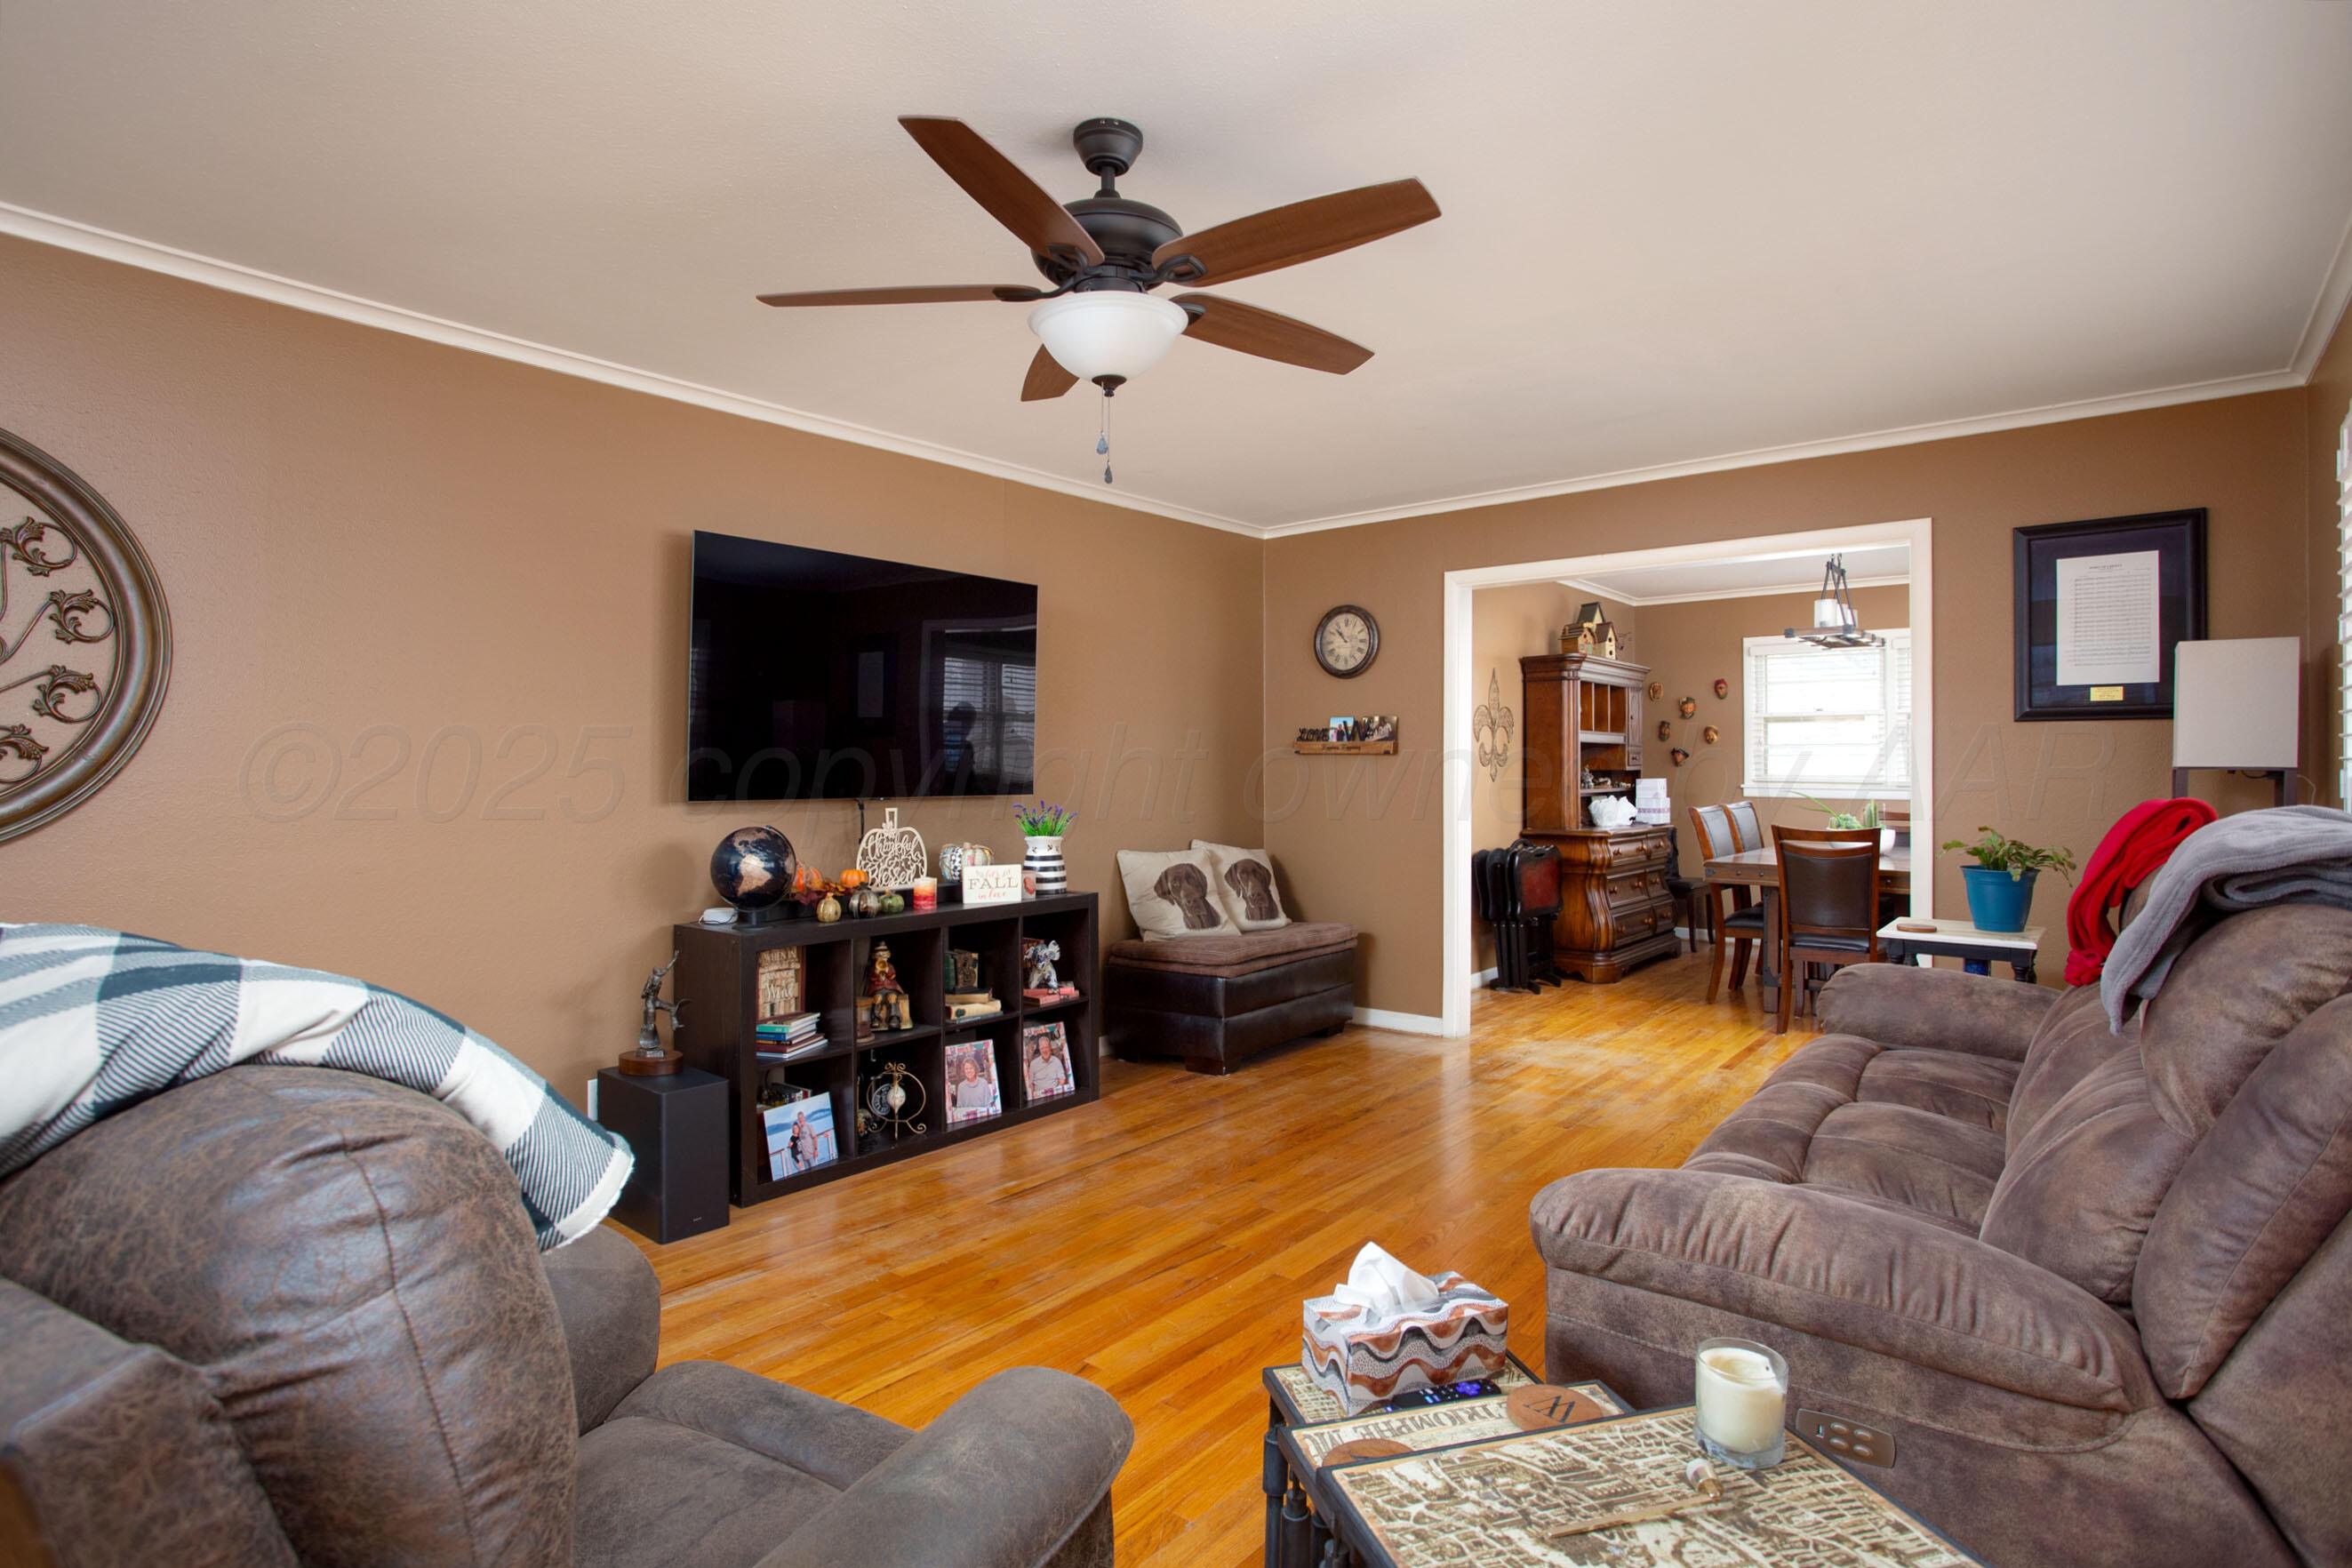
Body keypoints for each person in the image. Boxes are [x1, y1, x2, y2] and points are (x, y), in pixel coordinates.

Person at [951, 1053, 995, 1118]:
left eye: (971, 1068)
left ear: (975, 1069)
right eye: (966, 1068)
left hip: (983, 1117)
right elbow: (960, 1108)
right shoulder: (961, 1087)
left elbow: (988, 1105)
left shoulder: (984, 1083)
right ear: (964, 1070)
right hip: (967, 1118)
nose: (969, 1071)